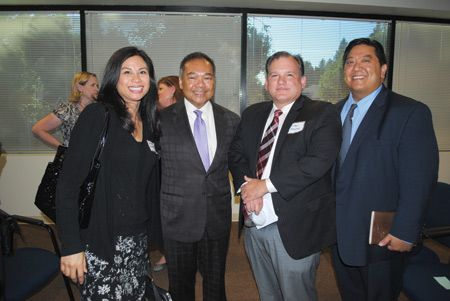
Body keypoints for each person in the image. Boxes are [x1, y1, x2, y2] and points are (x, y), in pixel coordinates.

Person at [228, 51, 342, 300]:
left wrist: (264, 186)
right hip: (254, 224)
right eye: (274, 75)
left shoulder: (322, 113)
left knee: (296, 294)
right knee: (268, 293)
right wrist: (247, 190)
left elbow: (317, 162)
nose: (281, 82)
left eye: (289, 75)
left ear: (302, 81)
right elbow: (236, 154)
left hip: (295, 226)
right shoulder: (252, 114)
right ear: (266, 83)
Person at [332, 38, 439, 300]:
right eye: (349, 62)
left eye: (365, 60)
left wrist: (405, 231)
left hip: (381, 239)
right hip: (339, 234)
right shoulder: (332, 113)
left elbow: (419, 180)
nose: (356, 67)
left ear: (383, 70)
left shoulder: (409, 112)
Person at [56, 46, 162, 300]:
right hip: (101, 240)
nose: (136, 79)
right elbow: (68, 184)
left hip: (136, 239)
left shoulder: (149, 123)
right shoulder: (98, 115)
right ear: (115, 78)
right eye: (127, 72)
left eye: (143, 72)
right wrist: (71, 246)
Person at [159, 52, 240, 300]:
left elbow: (238, 164)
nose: (200, 84)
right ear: (181, 83)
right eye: (192, 77)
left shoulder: (231, 120)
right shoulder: (159, 120)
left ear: (214, 82)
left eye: (207, 78)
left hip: (216, 218)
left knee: (215, 284)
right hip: (177, 219)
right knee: (180, 286)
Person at [153, 75, 184, 272]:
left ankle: (178, 253)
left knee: (179, 214)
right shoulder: (154, 114)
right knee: (160, 214)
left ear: (173, 89)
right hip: (158, 170)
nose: (157, 94)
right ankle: (167, 252)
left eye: (161, 90)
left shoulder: (185, 113)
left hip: (180, 173)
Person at [32, 72, 99, 147]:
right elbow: (38, 129)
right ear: (80, 88)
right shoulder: (68, 110)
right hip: (75, 157)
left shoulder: (99, 110)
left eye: (97, 85)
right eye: (93, 85)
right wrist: (63, 148)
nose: (97, 89)